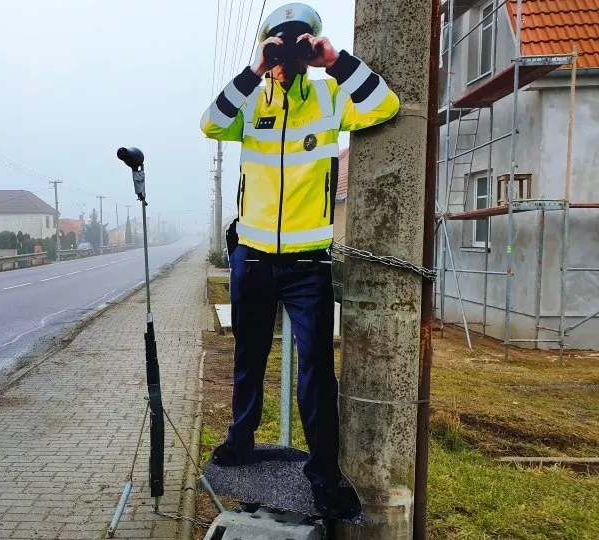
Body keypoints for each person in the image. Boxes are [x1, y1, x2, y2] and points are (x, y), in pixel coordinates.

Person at [199, 2, 400, 517]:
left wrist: (335, 60)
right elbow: (209, 123)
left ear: (310, 44)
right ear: (269, 49)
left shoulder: (331, 94)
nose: (290, 52)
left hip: (308, 263)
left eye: (299, 42)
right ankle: (240, 440)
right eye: (280, 43)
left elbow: (385, 107)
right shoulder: (251, 101)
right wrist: (253, 71)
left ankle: (324, 472)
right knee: (248, 358)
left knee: (316, 370)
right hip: (253, 257)